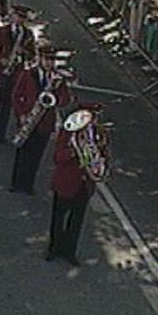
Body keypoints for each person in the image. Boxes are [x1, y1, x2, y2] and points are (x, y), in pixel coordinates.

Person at [48, 104, 110, 266]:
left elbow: (104, 152)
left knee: (77, 220)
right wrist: (74, 152)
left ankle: (70, 251)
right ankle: (54, 248)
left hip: (85, 184)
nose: (91, 121)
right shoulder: (68, 131)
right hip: (66, 181)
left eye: (93, 117)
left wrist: (101, 163)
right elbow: (58, 157)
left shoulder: (99, 133)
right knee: (58, 217)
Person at [10, 44, 71, 194]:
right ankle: (16, 183)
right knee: (23, 153)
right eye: (46, 59)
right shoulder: (28, 74)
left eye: (52, 60)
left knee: (36, 156)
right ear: (40, 58)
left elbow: (65, 99)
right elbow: (16, 95)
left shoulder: (57, 79)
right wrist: (21, 114)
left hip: (45, 122)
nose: (49, 63)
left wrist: (56, 99)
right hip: (29, 119)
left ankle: (28, 184)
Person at [0, 4, 36, 143]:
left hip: (16, 73)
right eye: (17, 16)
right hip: (1, 71)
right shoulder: (2, 31)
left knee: (8, 104)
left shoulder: (28, 35)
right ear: (13, 16)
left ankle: (0, 133)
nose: (19, 20)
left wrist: (24, 52)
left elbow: (33, 55)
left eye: (22, 18)